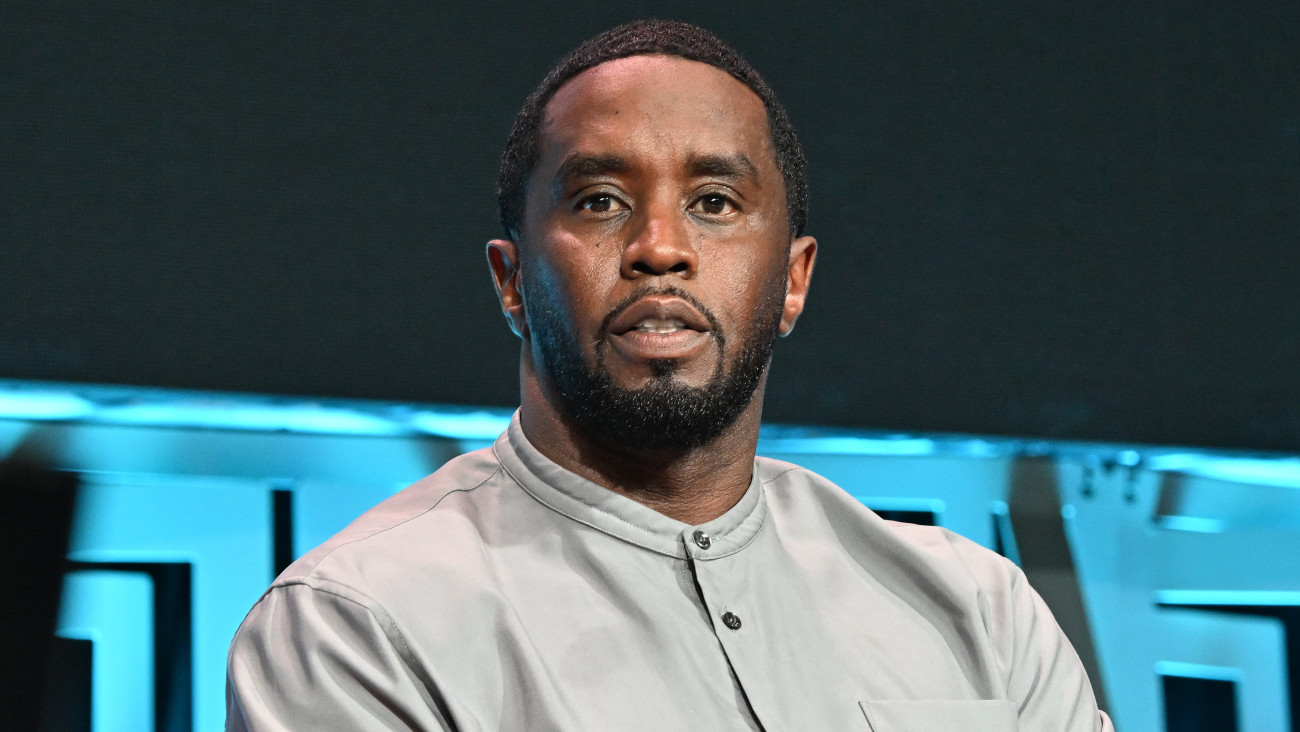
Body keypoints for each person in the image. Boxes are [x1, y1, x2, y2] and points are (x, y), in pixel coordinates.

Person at [226, 19, 1113, 731]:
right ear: (510, 278)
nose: (660, 248)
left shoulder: (976, 610)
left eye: (715, 203)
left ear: (794, 279)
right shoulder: (359, 625)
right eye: (600, 201)